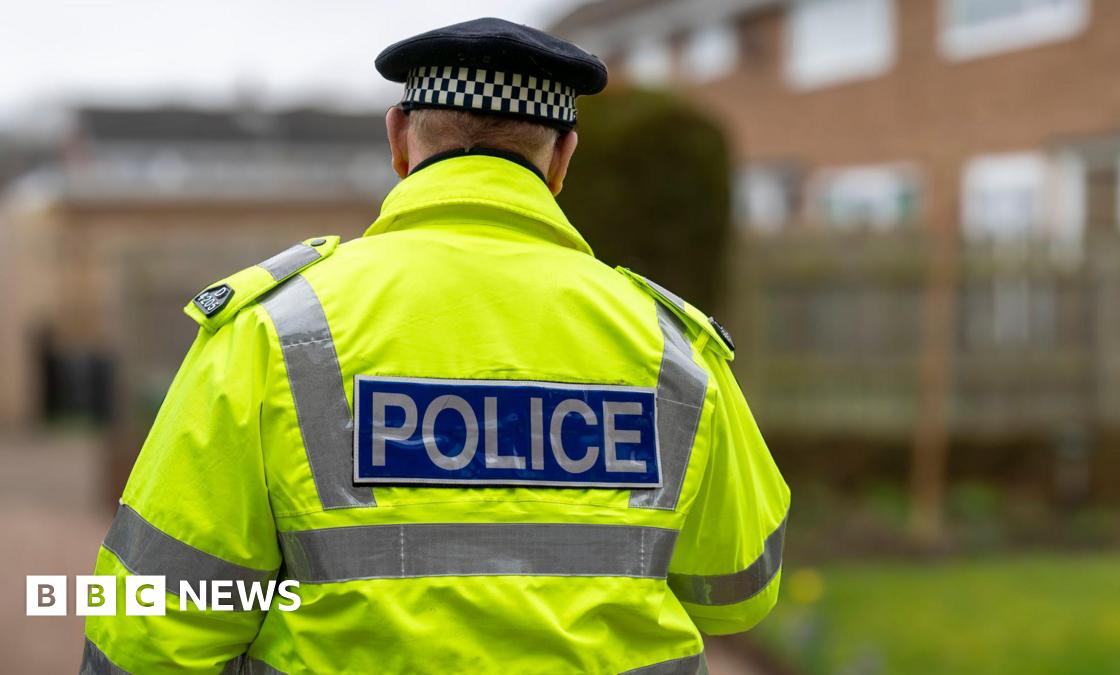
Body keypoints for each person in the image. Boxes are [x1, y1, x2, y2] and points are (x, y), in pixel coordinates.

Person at [80, 17, 789, 675]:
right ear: (564, 156)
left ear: (398, 138)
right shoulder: (671, 347)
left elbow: (151, 626)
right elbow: (737, 589)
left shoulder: (277, 330)